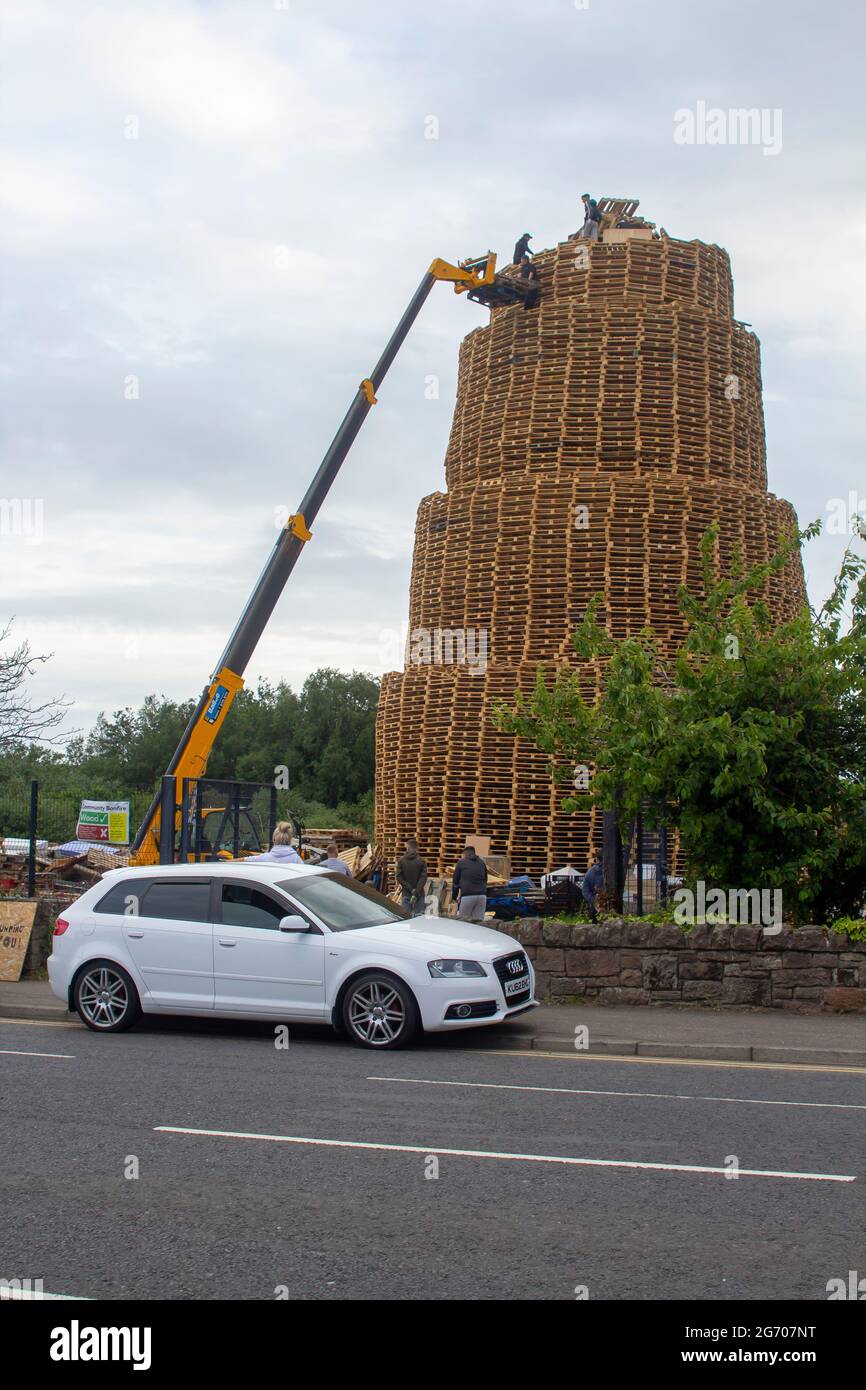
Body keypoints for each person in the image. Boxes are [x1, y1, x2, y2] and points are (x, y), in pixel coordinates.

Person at [452, 844, 489, 922]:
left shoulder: (461, 863)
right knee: (478, 923)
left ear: (465, 854)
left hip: (468, 896)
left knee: (463, 922)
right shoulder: (482, 862)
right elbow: (486, 880)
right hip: (482, 896)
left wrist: (454, 897)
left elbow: (455, 882)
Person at [396, 837, 427, 916]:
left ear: (408, 847)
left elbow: (399, 877)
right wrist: (416, 890)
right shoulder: (422, 861)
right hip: (419, 894)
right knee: (419, 919)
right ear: (417, 848)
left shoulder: (401, 861)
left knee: (406, 918)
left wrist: (410, 889)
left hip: (406, 893)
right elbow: (423, 878)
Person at [582, 856, 604, 922]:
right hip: (611, 905)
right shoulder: (613, 870)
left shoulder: (590, 872)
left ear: (597, 859)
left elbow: (585, 891)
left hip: (595, 907)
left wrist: (595, 902)